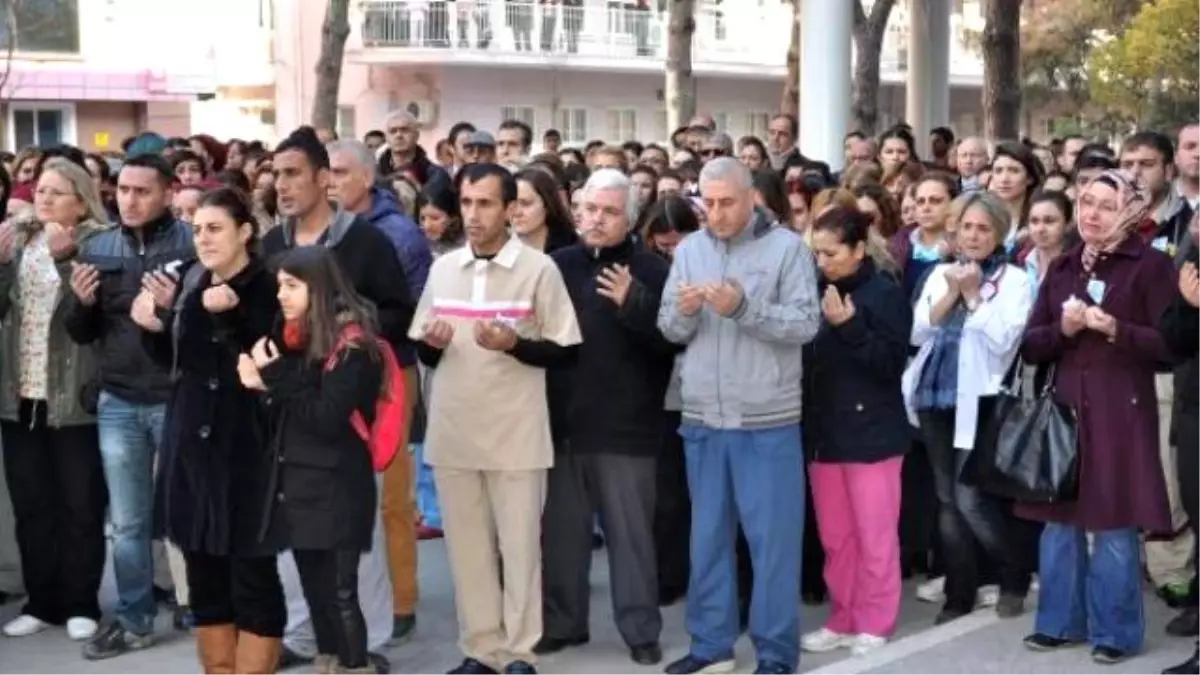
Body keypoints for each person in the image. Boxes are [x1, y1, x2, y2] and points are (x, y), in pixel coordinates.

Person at [409, 163, 582, 675]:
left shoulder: (538, 269)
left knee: (521, 549)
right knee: (467, 552)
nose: (473, 214)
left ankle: (519, 653)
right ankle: (480, 651)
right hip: (454, 431)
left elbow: (566, 350)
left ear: (510, 210)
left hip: (516, 434)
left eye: (485, 203)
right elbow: (425, 350)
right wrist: (433, 346)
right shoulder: (443, 270)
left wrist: (515, 345)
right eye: (466, 202)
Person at [657, 157, 819, 675]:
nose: (718, 213)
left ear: (753, 198)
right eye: (709, 203)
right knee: (706, 538)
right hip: (703, 417)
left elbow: (805, 324)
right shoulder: (689, 251)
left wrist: (743, 309)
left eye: (729, 202)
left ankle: (775, 654)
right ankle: (711, 646)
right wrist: (684, 312)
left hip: (766, 420)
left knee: (771, 545)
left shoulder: (788, 249)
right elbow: (668, 329)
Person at [1019, 170, 1176, 665]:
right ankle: (1060, 622)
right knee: (1059, 520)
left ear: (1129, 210)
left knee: (1113, 519)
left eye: (1106, 206)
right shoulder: (1064, 266)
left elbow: (1171, 346)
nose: (1091, 214)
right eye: (1086, 202)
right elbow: (1030, 345)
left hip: (1120, 411)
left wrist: (1116, 329)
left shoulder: (1149, 266)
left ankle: (1117, 630)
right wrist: (1063, 330)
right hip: (1065, 408)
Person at [134, 187, 286, 674]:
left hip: (248, 450)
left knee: (252, 578)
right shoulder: (195, 285)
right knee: (204, 580)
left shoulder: (269, 286)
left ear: (245, 232)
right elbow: (182, 365)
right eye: (197, 229)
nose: (203, 238)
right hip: (192, 449)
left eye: (215, 228)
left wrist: (233, 317)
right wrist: (155, 327)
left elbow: (268, 362)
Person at [538, 169, 675, 665]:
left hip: (627, 427)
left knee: (631, 537)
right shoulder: (556, 265)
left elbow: (670, 340)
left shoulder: (652, 270)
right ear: (576, 210)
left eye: (610, 212)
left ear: (631, 219)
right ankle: (563, 623)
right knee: (562, 536)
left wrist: (632, 302)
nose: (597, 220)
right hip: (563, 423)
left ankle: (640, 630)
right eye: (591, 209)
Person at [63, 152, 196, 661]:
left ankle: (203, 605)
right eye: (123, 190)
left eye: (143, 191)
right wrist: (81, 302)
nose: (131, 200)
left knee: (189, 507)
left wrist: (170, 307)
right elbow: (81, 333)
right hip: (119, 398)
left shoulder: (191, 243)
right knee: (128, 522)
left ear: (166, 193)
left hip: (176, 395)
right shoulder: (98, 246)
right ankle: (135, 618)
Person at [237, 245, 387, 675]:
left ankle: (354, 666)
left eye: (291, 285)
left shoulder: (354, 345)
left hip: (338, 482)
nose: (281, 294)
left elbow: (325, 418)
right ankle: (329, 662)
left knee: (340, 592)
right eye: (279, 285)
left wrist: (274, 376)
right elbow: (286, 412)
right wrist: (263, 387)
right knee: (315, 589)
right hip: (298, 478)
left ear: (317, 287)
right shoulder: (295, 337)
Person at [900, 191, 1036, 625]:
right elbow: (920, 331)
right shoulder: (940, 272)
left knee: (970, 498)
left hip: (982, 397)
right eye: (967, 227)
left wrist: (975, 297)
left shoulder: (1015, 281)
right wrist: (952, 293)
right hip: (933, 396)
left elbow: (1004, 342)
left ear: (998, 234)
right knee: (946, 501)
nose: (973, 236)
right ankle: (960, 592)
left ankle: (1014, 570)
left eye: (984, 228)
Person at [0, 159, 109, 642]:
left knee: (80, 505)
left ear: (81, 201)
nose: (43, 198)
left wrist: (66, 262)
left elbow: (90, 319)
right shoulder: (20, 241)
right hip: (19, 393)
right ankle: (42, 601)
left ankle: (81, 601)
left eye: (56, 192)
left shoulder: (99, 243)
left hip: (73, 399)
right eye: (40, 190)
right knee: (32, 505)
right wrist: (1, 266)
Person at [800, 207, 912, 656]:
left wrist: (849, 328)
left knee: (875, 534)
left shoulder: (884, 294)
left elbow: (889, 365)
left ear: (860, 249)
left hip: (873, 434)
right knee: (836, 537)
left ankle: (876, 619)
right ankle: (842, 616)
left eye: (832, 253)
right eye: (817, 253)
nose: (823, 262)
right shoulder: (810, 289)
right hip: (825, 433)